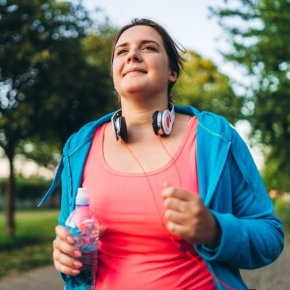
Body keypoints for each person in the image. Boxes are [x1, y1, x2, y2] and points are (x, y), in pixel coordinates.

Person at [39, 18, 284, 290]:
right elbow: (72, 248)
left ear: (172, 72)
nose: (132, 54)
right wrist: (67, 258)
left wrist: (215, 230)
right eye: (122, 51)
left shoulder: (215, 138)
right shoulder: (79, 147)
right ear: (114, 72)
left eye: (148, 48)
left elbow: (269, 235)